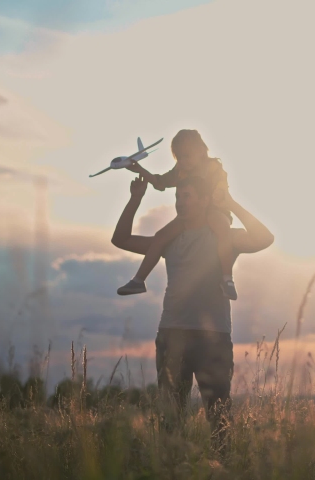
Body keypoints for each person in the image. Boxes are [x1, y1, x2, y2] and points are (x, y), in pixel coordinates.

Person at [111, 174, 273, 453]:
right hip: (173, 334)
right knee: (171, 421)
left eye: (187, 196)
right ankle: (174, 470)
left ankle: (222, 471)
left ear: (205, 200)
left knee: (219, 418)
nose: (180, 202)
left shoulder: (225, 238)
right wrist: (135, 198)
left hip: (214, 338)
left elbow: (264, 237)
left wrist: (231, 203)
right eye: (177, 197)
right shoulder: (168, 240)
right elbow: (120, 239)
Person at [118, 129, 239, 300]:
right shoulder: (180, 170)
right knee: (161, 237)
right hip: (189, 214)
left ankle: (227, 279)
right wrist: (139, 169)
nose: (183, 161)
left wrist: (219, 194)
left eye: (187, 155)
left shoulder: (213, 167)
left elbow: (221, 187)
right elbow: (160, 182)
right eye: (179, 157)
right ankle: (138, 280)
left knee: (222, 227)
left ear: (201, 151)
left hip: (214, 210)